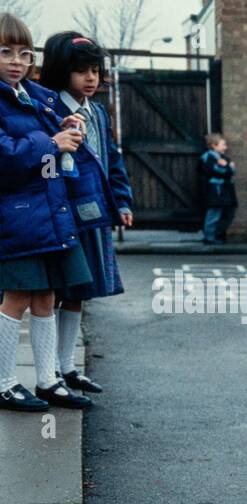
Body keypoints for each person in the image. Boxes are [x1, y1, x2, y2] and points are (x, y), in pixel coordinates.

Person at [0, 13, 94, 412]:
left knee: (47, 294)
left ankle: (47, 380)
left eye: (24, 53)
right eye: (5, 52)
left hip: (48, 209)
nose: (17, 61)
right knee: (17, 296)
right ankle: (4, 382)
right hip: (18, 213)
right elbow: (6, 158)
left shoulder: (30, 95)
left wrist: (68, 124)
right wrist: (51, 141)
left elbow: (52, 131)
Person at [44, 31, 134, 395]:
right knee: (52, 294)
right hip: (62, 217)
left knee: (79, 292)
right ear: (62, 72)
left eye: (95, 70)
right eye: (81, 70)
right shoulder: (49, 108)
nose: (91, 78)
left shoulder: (96, 112)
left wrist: (123, 201)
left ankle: (68, 368)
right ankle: (48, 370)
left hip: (94, 215)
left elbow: (112, 159)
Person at [199, 133, 236, 245]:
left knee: (227, 213)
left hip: (224, 190)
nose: (226, 147)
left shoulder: (222, 158)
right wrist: (227, 167)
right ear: (214, 146)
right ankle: (209, 237)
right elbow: (220, 171)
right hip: (215, 191)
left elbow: (230, 171)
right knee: (213, 215)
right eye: (223, 144)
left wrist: (228, 167)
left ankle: (216, 234)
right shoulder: (208, 157)